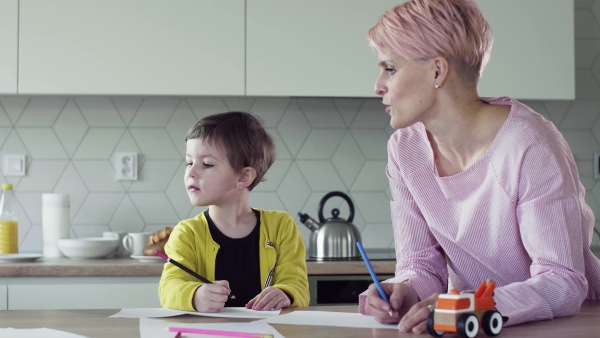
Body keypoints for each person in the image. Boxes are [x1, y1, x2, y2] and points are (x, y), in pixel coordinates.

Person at [359, 0, 600, 332]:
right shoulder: (405, 149)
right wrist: (405, 290)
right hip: (474, 325)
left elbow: (563, 282)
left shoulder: (530, 145)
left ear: (437, 71)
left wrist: (474, 304)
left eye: (389, 68)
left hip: (568, 325)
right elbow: (421, 265)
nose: (378, 86)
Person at [158, 111, 309, 312]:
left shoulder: (281, 226)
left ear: (244, 177)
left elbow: (297, 284)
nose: (191, 172)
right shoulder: (186, 233)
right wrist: (195, 296)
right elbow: (169, 288)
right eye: (189, 162)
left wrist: (286, 293)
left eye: (207, 164)